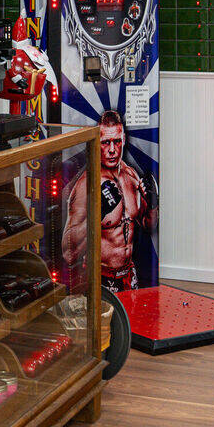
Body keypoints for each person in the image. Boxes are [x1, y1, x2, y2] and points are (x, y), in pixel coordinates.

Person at [63, 110, 152, 292]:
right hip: (100, 276)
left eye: (117, 141)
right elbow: (68, 253)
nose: (112, 150)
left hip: (129, 274)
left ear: (124, 139)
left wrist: (152, 204)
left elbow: (148, 224)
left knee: (132, 312)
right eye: (105, 142)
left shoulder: (131, 175)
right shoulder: (87, 184)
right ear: (97, 142)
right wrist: (97, 214)